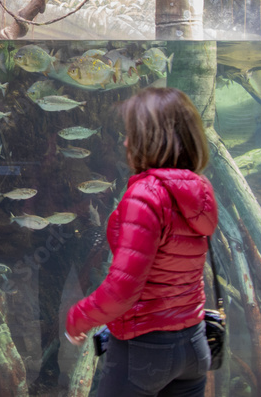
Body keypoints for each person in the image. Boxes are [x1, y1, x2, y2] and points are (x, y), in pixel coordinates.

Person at [65, 87, 218, 397]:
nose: (125, 142)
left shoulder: (146, 195)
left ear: (152, 139)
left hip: (144, 350)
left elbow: (122, 289)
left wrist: (78, 317)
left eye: (131, 134)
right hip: (194, 343)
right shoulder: (199, 189)